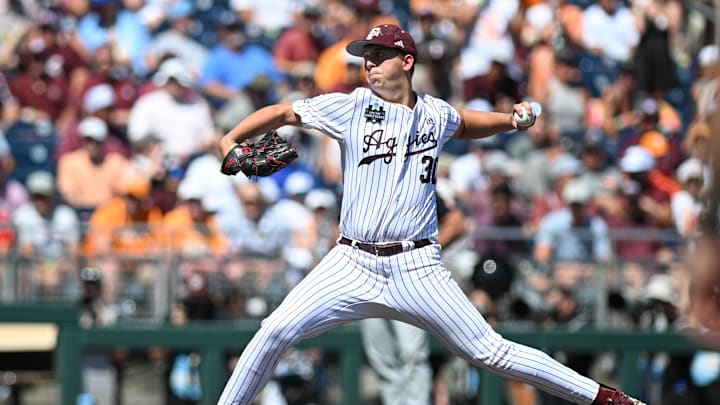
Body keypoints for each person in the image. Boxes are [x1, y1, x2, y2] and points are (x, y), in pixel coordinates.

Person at [217, 23, 645, 405]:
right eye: (366, 58)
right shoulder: (352, 106)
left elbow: (465, 124)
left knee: (489, 351)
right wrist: (232, 138)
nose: (369, 65)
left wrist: (509, 122)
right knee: (273, 331)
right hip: (351, 261)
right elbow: (284, 112)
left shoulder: (435, 113)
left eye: (379, 56)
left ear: (406, 62)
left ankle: (606, 399)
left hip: (416, 265)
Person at [360, 191, 467, 405]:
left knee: (412, 354)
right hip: (369, 277)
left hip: (407, 277)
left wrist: (424, 254)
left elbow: (457, 223)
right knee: (382, 357)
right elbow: (338, 226)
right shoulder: (363, 180)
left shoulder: (410, 181)